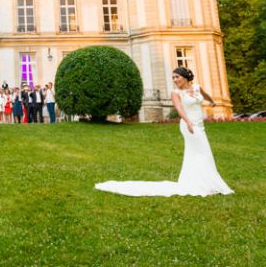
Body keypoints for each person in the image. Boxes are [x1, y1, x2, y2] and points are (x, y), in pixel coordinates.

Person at [95, 67, 233, 197]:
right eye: (173, 77)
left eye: (177, 77)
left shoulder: (197, 87)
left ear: (185, 77)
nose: (175, 80)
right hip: (188, 125)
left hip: (199, 124)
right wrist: (188, 122)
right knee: (203, 151)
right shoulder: (175, 93)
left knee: (199, 153)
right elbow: (179, 109)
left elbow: (205, 95)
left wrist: (212, 102)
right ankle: (203, 183)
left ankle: (202, 181)